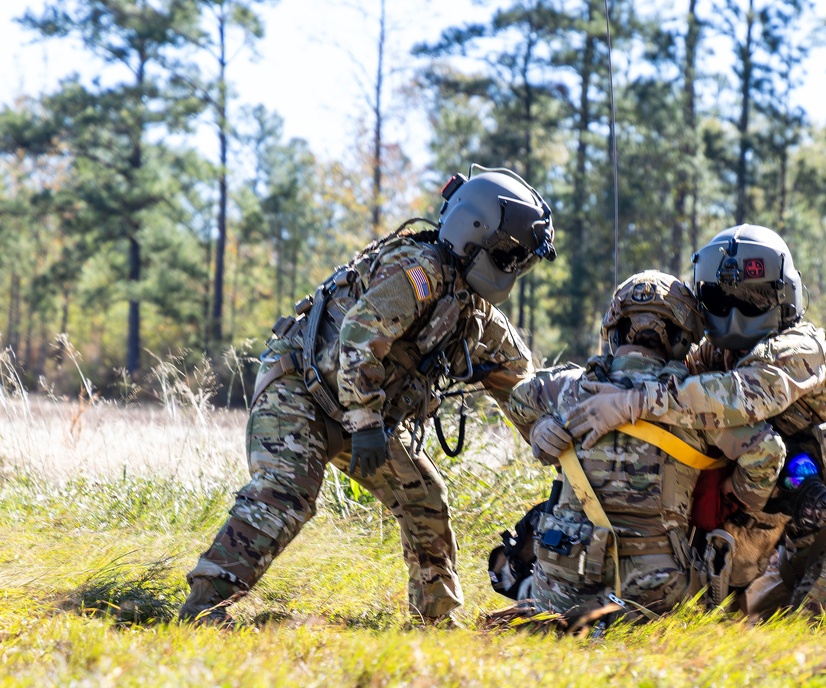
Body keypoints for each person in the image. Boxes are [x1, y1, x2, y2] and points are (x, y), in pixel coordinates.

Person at [179, 165, 557, 625]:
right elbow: (359, 334)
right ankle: (203, 608)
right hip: (301, 389)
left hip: (360, 413)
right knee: (287, 490)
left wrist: (562, 443)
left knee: (425, 500)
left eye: (521, 259)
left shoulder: (474, 313)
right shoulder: (421, 270)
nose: (514, 267)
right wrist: (366, 424)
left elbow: (522, 386)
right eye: (509, 254)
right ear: (474, 233)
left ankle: (435, 623)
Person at [565, 224, 826, 618]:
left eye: (753, 299)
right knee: (736, 625)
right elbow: (649, 378)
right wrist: (559, 418)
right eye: (721, 299)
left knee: (821, 633)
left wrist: (634, 402)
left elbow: (742, 396)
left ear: (784, 296)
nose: (736, 314)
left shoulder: (803, 350)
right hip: (779, 531)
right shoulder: (714, 354)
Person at [502, 270, 789, 623]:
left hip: (559, 585)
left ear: (614, 329)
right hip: (653, 597)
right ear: (684, 338)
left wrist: (540, 429)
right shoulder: (691, 404)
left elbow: (519, 399)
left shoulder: (568, 387)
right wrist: (734, 494)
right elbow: (768, 452)